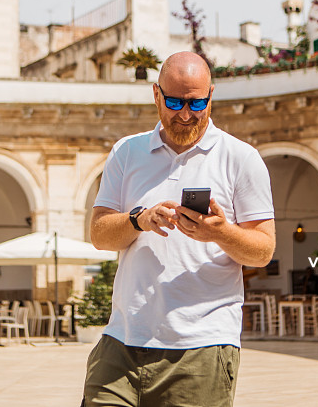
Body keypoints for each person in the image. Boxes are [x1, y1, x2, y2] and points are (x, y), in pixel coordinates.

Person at [83, 51, 276, 407]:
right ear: (156, 95)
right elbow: (99, 234)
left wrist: (220, 232)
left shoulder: (241, 158)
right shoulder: (127, 152)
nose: (185, 114)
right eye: (174, 102)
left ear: (211, 96)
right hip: (121, 343)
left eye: (196, 102)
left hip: (201, 348)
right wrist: (138, 220)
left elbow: (263, 250)